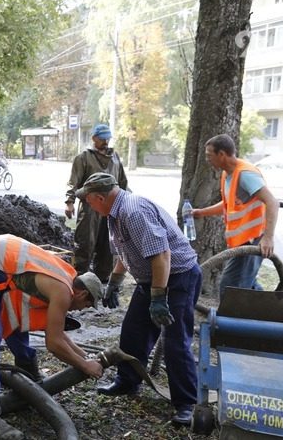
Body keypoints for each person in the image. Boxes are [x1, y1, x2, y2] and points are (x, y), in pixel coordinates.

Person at [77, 172, 202, 426]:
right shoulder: (115, 213)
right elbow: (128, 250)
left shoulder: (133, 212)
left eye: (88, 200)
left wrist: (158, 297)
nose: (87, 205)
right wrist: (115, 281)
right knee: (133, 331)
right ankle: (127, 382)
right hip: (152, 278)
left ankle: (186, 403)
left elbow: (161, 255)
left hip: (177, 277)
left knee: (175, 340)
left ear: (100, 197)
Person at [0, 234, 104, 439]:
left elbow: (57, 333)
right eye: (87, 305)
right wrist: (84, 365)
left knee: (17, 320)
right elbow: (53, 343)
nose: (82, 310)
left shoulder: (67, 278)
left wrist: (84, 356)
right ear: (81, 294)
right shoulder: (63, 292)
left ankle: (29, 378)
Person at [191, 134, 279, 295]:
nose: (207, 159)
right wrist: (201, 212)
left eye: (209, 155)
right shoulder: (228, 174)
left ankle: (231, 318)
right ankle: (269, 311)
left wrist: (268, 238)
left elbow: (272, 202)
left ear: (222, 155)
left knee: (230, 288)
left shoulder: (245, 174)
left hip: (253, 240)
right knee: (247, 285)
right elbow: (228, 205)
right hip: (241, 242)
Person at [64, 124, 128, 285]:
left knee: (108, 243)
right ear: (94, 138)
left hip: (111, 206)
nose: (106, 142)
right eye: (102, 139)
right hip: (89, 207)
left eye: (108, 138)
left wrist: (125, 201)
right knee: (85, 241)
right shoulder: (84, 157)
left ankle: (103, 278)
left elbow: (122, 182)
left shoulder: (115, 157)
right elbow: (73, 181)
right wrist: (69, 202)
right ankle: (80, 277)